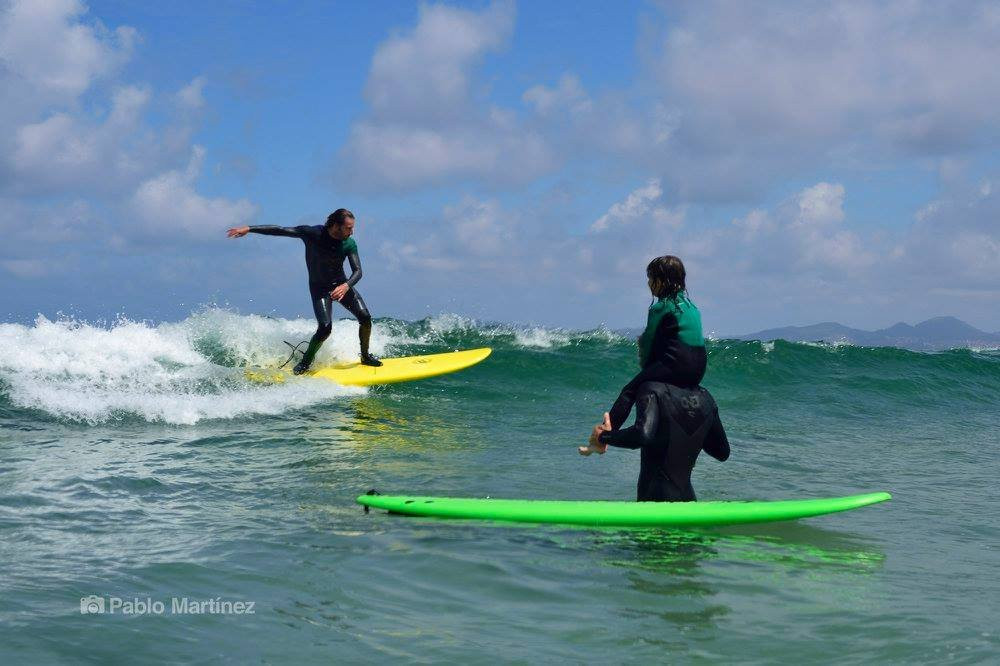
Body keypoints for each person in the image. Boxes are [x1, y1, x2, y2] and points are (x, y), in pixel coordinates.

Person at [226, 208, 382, 374]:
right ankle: (306, 362)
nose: (352, 231)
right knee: (325, 328)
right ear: (336, 226)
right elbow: (281, 230)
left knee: (365, 318)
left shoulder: (349, 243)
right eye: (349, 228)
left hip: (342, 285)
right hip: (320, 288)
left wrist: (345, 286)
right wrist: (250, 229)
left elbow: (358, 271)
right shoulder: (312, 233)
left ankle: (365, 356)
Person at [579, 382, 729, 502]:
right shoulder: (705, 397)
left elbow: (642, 435)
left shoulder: (653, 389)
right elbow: (722, 452)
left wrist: (603, 437)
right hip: (688, 504)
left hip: (656, 503)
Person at [607, 255, 706, 430]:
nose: (649, 284)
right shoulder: (693, 308)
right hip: (698, 370)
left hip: (676, 365)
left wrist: (645, 372)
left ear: (662, 281)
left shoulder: (661, 307)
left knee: (629, 391)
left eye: (651, 278)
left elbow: (648, 343)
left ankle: (605, 435)